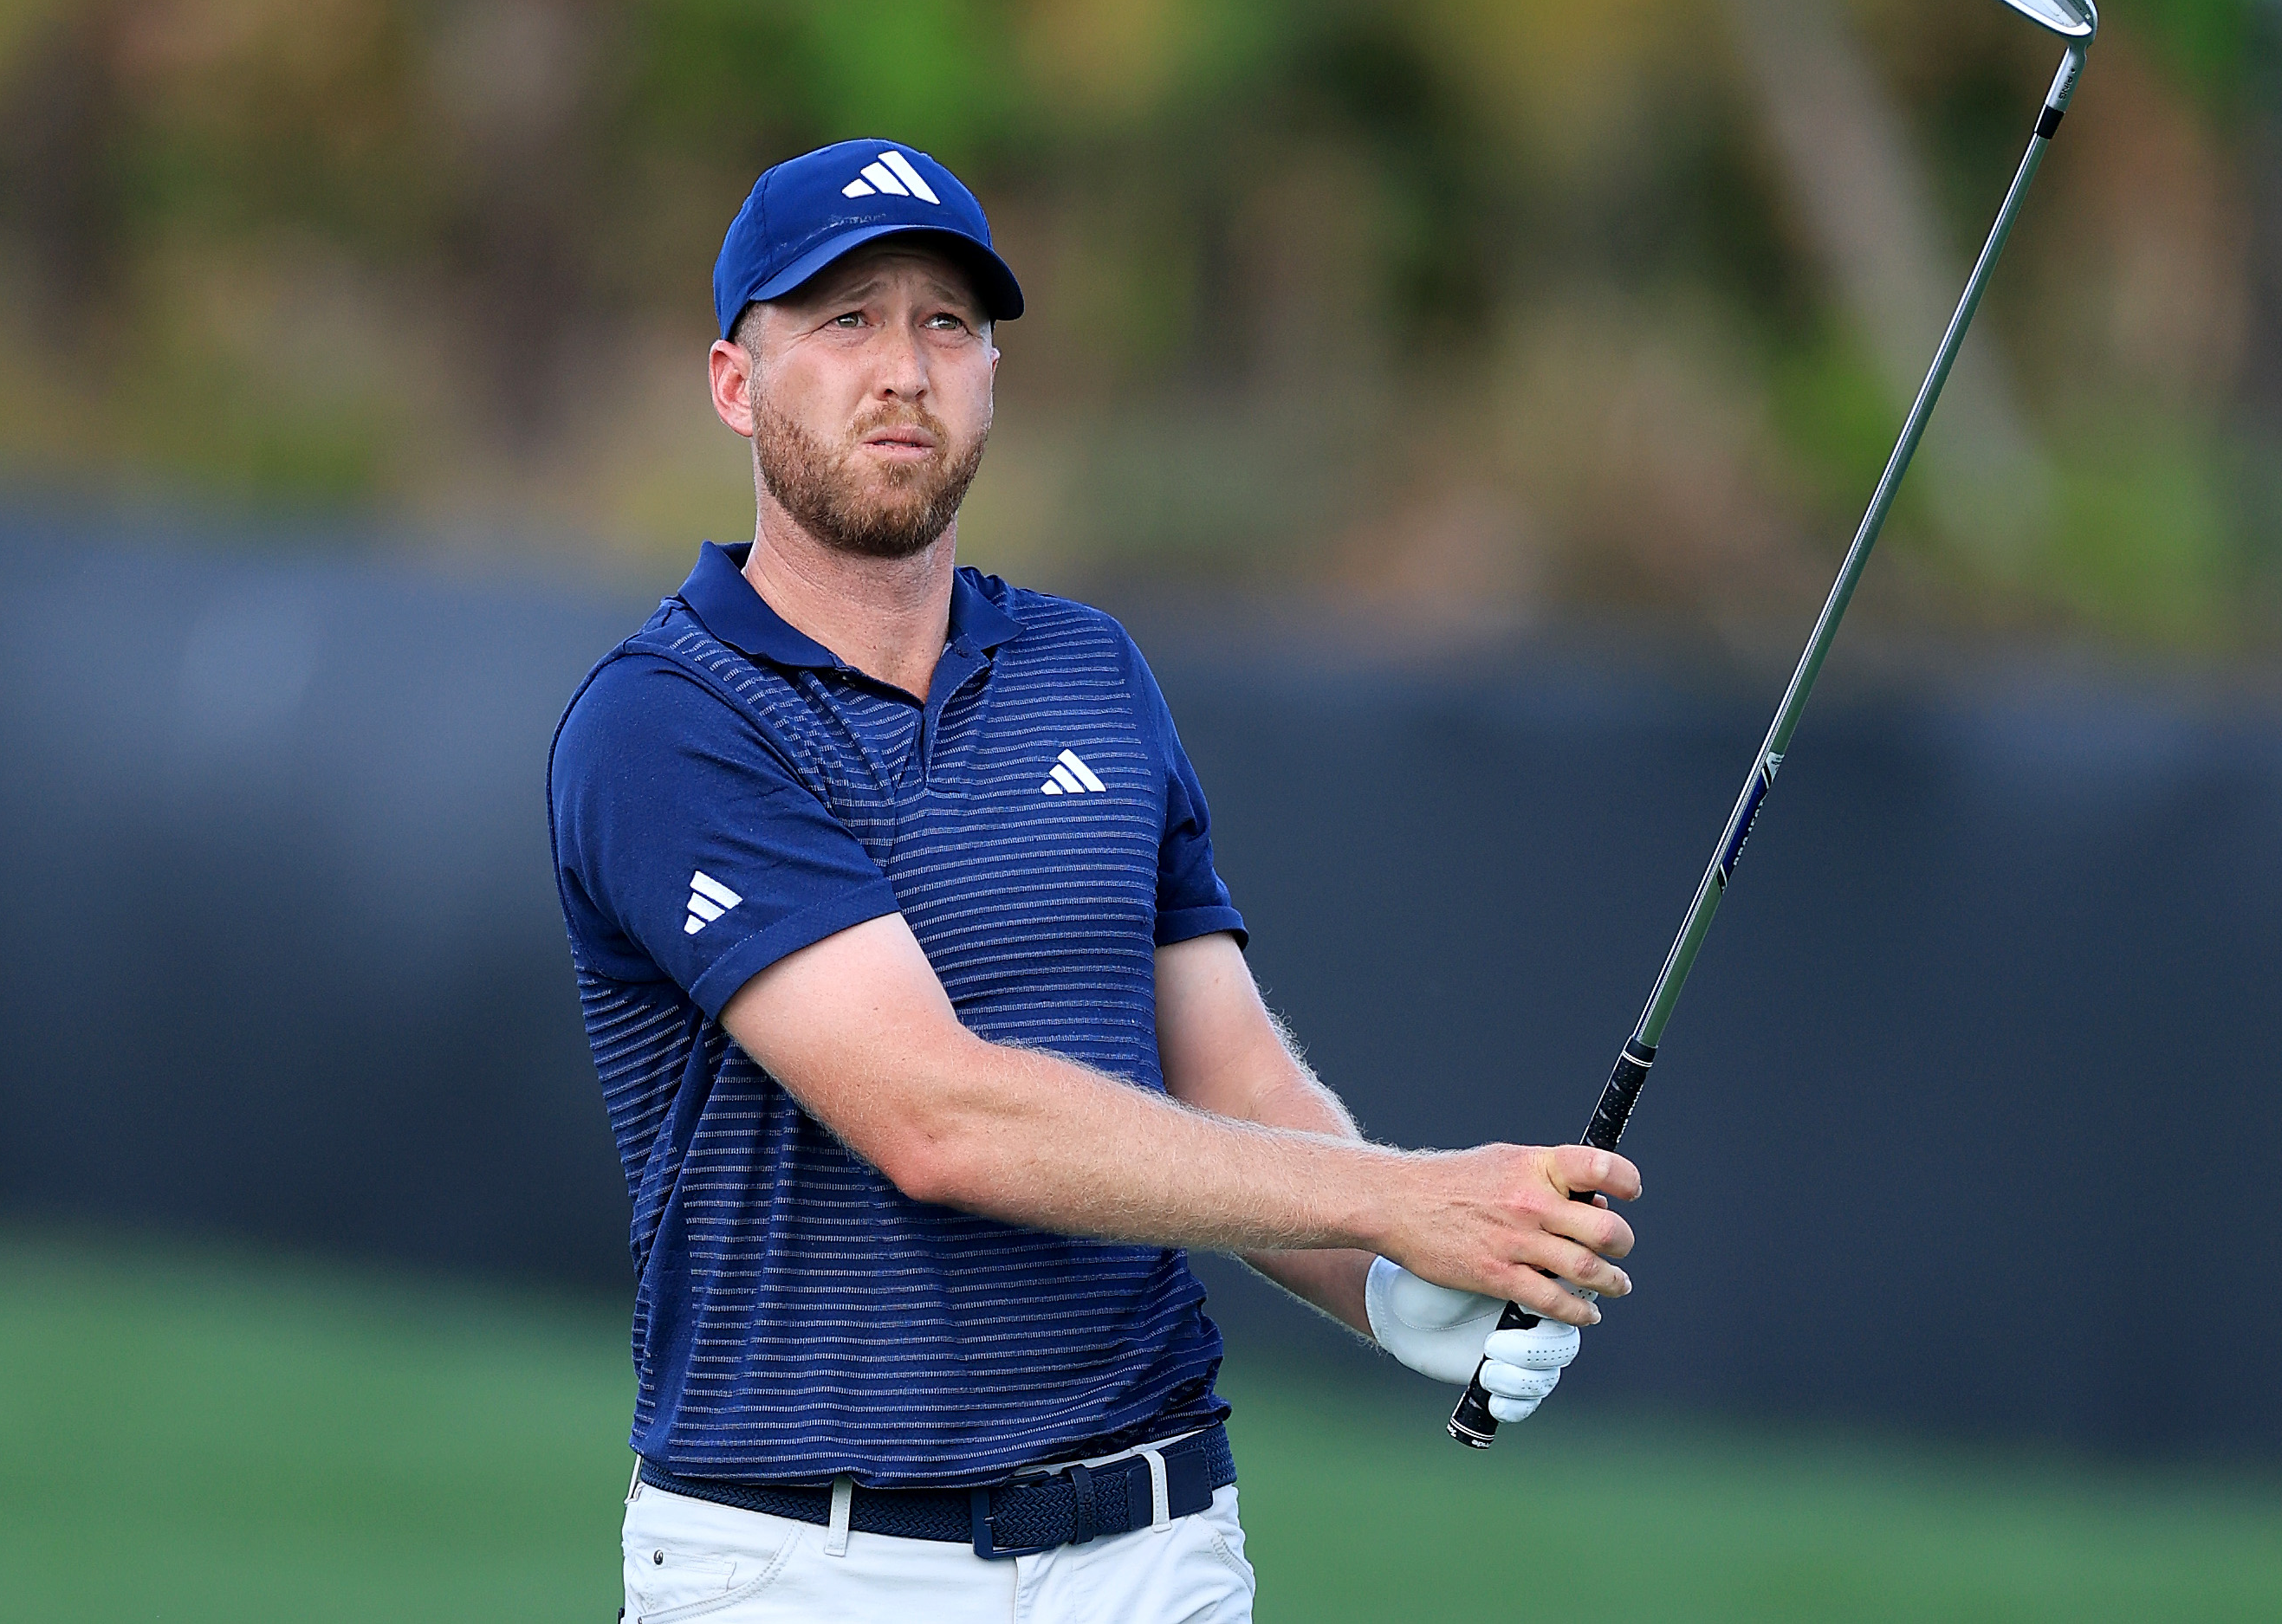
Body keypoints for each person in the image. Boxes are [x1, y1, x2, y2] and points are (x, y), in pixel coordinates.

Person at [547, 138, 1638, 1621]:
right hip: (811, 1561)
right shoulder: (667, 721)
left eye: (948, 323)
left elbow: (1235, 1076)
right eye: (845, 320)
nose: (905, 369)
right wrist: (1404, 1200)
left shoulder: (1090, 670)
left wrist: (1396, 1286)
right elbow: (938, 1116)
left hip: (1157, 1544)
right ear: (738, 382)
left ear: (993, 375)